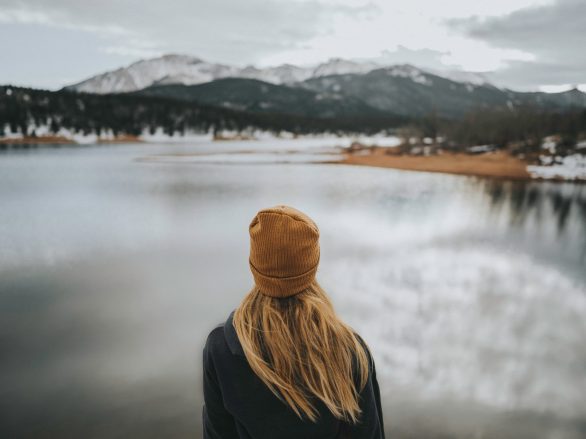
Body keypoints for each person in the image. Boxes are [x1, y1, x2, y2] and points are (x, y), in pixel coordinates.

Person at [202, 205, 385, 439]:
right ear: (312, 265)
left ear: (255, 264)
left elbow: (216, 434)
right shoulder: (349, 349)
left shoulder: (221, 347)